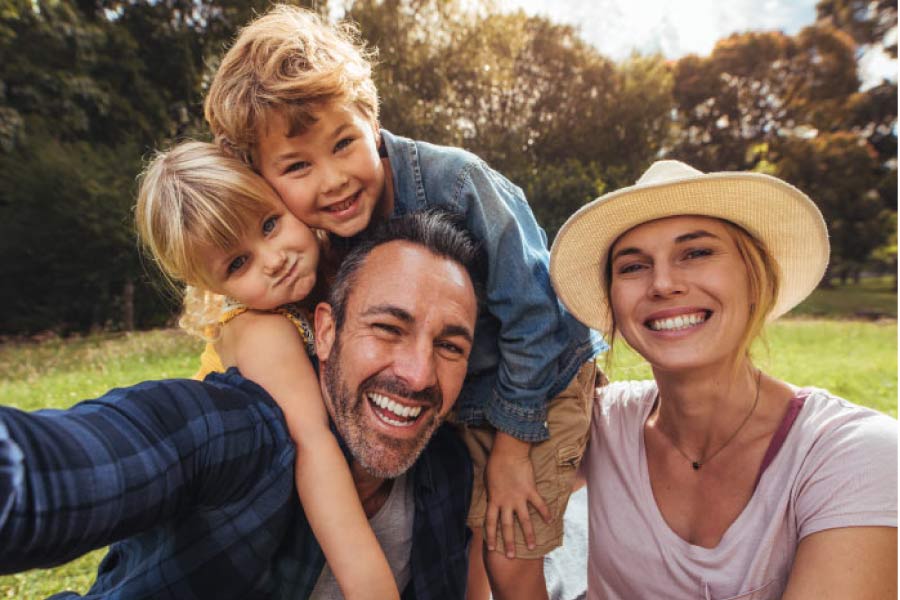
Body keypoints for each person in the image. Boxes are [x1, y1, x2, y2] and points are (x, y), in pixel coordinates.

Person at [203, 7, 606, 598]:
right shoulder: (317, 239)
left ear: (370, 119)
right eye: (297, 167)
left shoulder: (459, 184)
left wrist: (514, 448)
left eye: (343, 143)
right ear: (264, 179)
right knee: (469, 536)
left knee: (510, 550)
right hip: (456, 395)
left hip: (542, 384)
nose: (333, 179)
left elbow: (540, 312)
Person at [0, 210, 480, 599]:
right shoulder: (241, 433)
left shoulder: (449, 474)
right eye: (387, 329)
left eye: (450, 347)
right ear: (327, 330)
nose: (418, 374)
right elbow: (63, 469)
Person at [549, 159, 898, 599]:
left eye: (696, 253)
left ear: (756, 279)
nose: (662, 284)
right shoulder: (597, 423)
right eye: (633, 266)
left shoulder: (854, 454)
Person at [135, 140, 399, 599]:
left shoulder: (327, 273)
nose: (274, 259)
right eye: (239, 263)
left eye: (270, 224)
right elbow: (313, 451)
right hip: (214, 537)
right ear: (207, 284)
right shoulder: (262, 331)